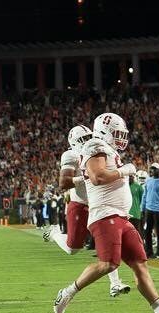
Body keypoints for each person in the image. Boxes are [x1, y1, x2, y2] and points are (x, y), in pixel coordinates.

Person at [53, 113, 159, 313]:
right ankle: (68, 292)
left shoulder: (106, 149)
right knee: (108, 264)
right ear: (104, 132)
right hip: (105, 214)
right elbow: (98, 178)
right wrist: (124, 171)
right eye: (116, 133)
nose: (120, 137)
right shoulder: (95, 146)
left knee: (139, 263)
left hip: (120, 215)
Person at [49, 125, 130, 297]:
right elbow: (63, 183)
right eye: (82, 139)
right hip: (80, 204)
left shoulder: (98, 148)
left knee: (108, 246)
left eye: (88, 137)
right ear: (73, 143)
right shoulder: (70, 154)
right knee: (73, 248)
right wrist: (84, 177)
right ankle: (56, 233)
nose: (86, 141)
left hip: (100, 205)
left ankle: (115, 284)